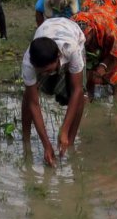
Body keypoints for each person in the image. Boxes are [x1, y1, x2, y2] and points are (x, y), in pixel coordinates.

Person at [21, 17, 87, 166]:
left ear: (58, 57)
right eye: (41, 72)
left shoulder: (71, 49)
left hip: (73, 33)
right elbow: (34, 104)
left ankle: (69, 141)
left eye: (48, 70)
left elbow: (77, 90)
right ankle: (26, 140)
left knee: (79, 95)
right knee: (28, 95)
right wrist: (46, 145)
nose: (44, 74)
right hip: (47, 30)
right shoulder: (28, 63)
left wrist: (64, 130)